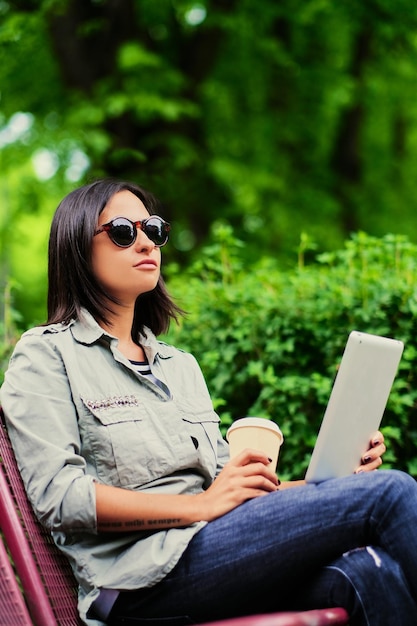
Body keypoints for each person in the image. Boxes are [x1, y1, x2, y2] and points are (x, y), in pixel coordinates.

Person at [1, 178, 417, 626]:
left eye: (154, 230)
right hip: (138, 581)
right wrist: (198, 507)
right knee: (390, 493)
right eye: (124, 231)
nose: (146, 243)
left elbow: (228, 492)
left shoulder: (180, 367)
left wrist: (342, 482)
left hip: (212, 549)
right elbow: (59, 498)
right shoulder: (46, 354)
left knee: (367, 573)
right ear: (77, 248)